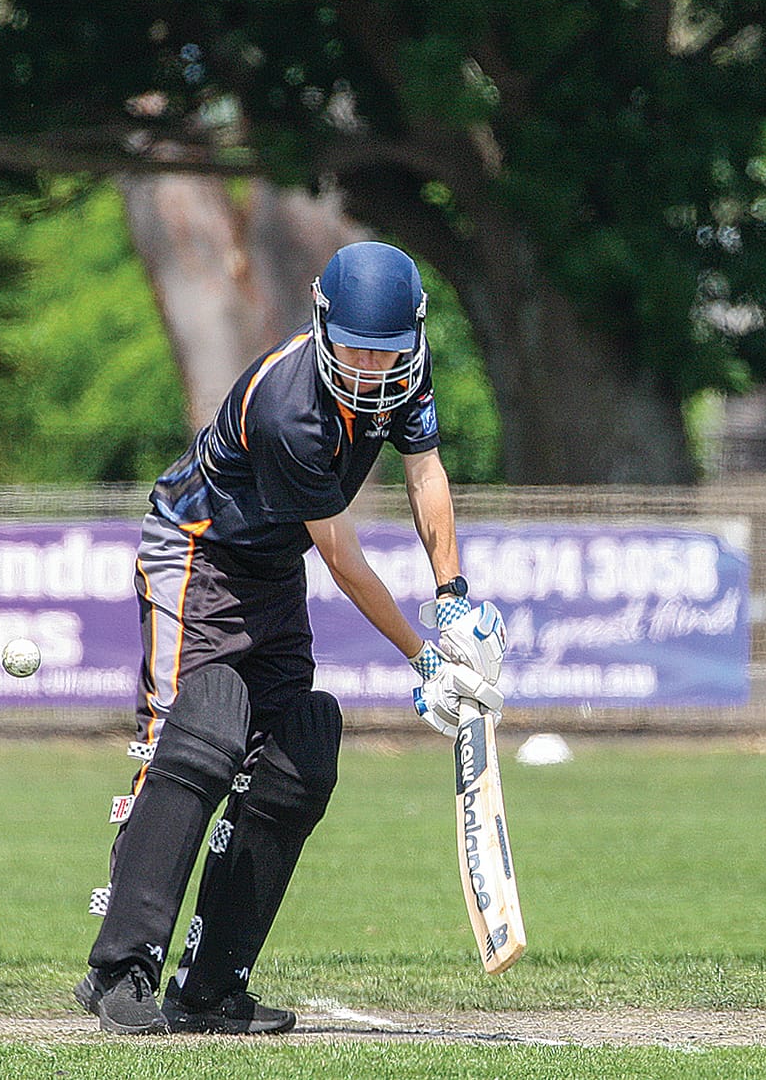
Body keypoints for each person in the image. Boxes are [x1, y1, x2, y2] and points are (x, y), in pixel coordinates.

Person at [74, 241, 503, 1035]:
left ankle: (211, 987)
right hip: (197, 549)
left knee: (299, 754)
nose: (372, 371)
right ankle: (120, 968)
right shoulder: (290, 409)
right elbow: (343, 558)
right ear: (322, 322)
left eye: (388, 351)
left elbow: (425, 472)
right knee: (197, 734)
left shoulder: (409, 367)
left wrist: (451, 601)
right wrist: (425, 657)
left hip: (272, 566)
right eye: (355, 350)